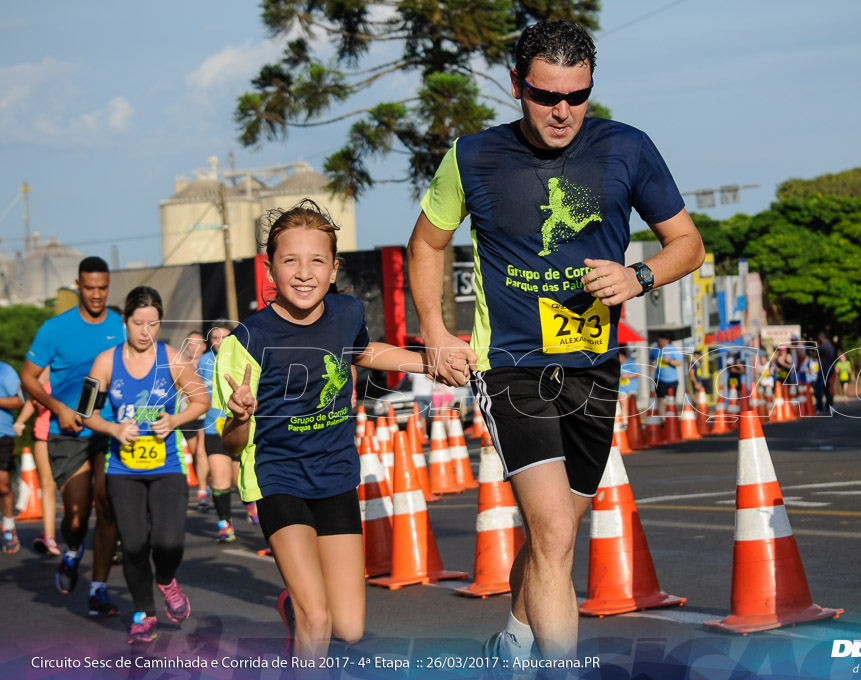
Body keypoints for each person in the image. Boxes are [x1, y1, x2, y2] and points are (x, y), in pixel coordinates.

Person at [407, 19, 704, 663]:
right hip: (511, 366)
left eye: (578, 95)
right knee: (553, 537)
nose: (563, 111)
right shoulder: (471, 156)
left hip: (593, 367)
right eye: (546, 96)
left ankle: (510, 643)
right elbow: (427, 243)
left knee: (559, 533)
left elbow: (689, 244)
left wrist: (639, 275)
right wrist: (433, 329)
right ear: (517, 86)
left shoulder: (628, 148)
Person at [216, 201, 455, 661]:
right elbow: (230, 444)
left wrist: (432, 361)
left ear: (333, 268)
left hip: (336, 475)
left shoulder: (346, 312)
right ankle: (304, 615)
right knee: (318, 621)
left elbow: (365, 353)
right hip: (277, 477)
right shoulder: (246, 340)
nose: (303, 273)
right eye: (290, 261)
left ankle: (294, 607)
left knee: (347, 627)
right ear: (269, 268)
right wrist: (241, 416)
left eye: (316, 260)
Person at [82, 286, 208, 644]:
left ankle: (166, 580)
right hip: (123, 470)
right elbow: (85, 411)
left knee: (169, 543)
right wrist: (113, 428)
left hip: (167, 466)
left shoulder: (172, 359)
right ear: (125, 321)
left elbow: (201, 400)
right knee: (134, 545)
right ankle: (143, 612)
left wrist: (175, 420)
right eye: (138, 323)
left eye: (153, 324)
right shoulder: (106, 361)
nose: (144, 332)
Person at [21, 256, 124, 615]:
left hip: (109, 427)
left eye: (103, 288)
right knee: (78, 516)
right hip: (67, 430)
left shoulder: (121, 325)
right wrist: (57, 407)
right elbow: (28, 376)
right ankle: (72, 549)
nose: (96, 295)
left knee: (107, 505)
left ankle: (98, 590)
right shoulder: (55, 328)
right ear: (78, 285)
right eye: (90, 287)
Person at [195, 322, 237, 541]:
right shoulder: (204, 361)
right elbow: (196, 390)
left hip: (239, 426)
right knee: (220, 477)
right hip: (213, 426)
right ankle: (225, 524)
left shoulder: (243, 358)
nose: (220, 342)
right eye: (216, 338)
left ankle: (250, 504)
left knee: (240, 480)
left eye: (225, 337)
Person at [12, 376, 61, 556]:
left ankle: (74, 533)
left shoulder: (75, 365)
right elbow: (33, 400)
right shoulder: (41, 373)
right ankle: (49, 537)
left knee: (72, 487)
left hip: (72, 435)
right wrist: (20, 422)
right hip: (44, 433)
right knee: (48, 485)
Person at [180, 330, 207, 508]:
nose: (193, 347)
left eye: (197, 343)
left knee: (201, 451)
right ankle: (205, 483)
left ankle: (202, 491)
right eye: (190, 343)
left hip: (205, 415)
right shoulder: (180, 364)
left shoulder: (209, 364)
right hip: (186, 415)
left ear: (204, 346)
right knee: (195, 452)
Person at [0, 360, 25, 554]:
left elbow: (20, 400)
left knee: (3, 483)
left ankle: (8, 527)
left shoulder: (5, 370)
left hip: (3, 435)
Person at [649, 333, 684, 411]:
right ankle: (662, 418)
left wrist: (669, 361)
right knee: (661, 399)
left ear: (667, 341)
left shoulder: (672, 349)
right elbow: (650, 360)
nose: (661, 343)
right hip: (659, 379)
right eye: (659, 342)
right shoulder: (654, 350)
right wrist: (651, 366)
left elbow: (680, 363)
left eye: (663, 341)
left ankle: (672, 416)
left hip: (672, 380)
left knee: (671, 399)